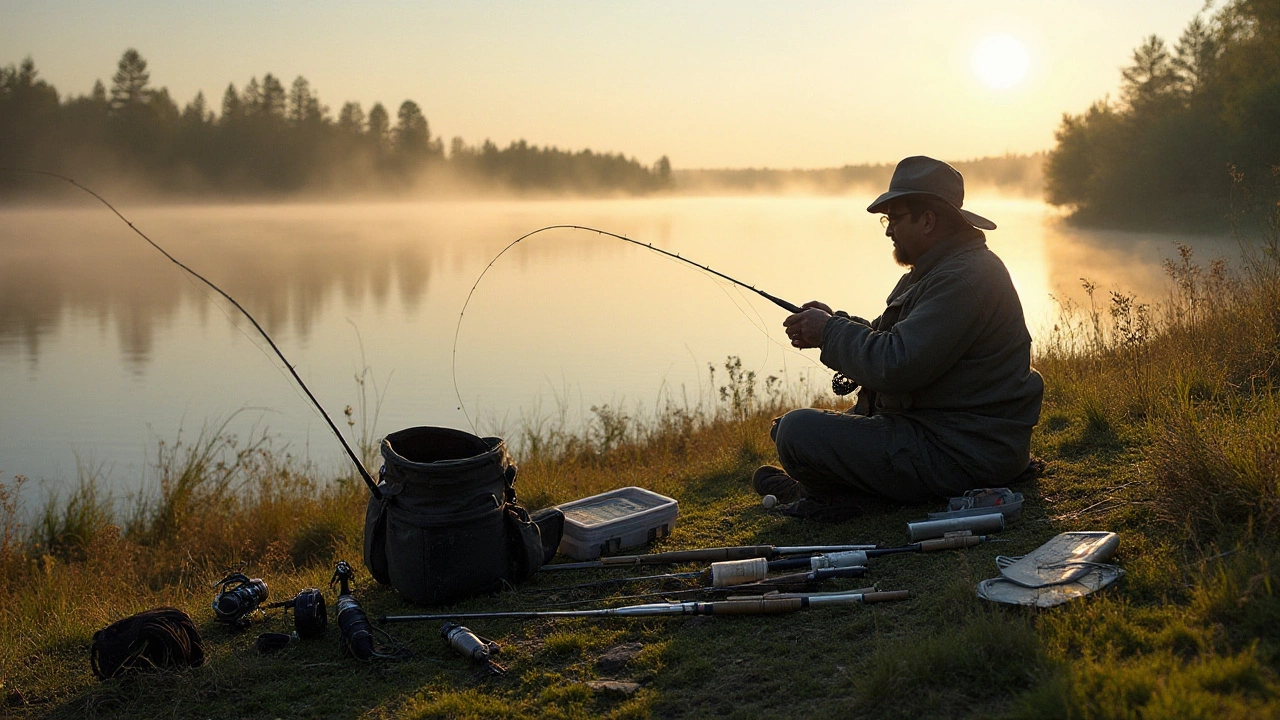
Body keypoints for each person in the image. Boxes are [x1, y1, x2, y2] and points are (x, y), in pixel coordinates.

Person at [754, 156, 1044, 521]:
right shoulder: (935, 270)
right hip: (942, 436)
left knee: (798, 431)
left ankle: (822, 493)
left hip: (964, 453)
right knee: (787, 429)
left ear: (927, 220)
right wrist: (834, 321)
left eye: (894, 218)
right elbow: (888, 337)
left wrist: (828, 332)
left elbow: (896, 364)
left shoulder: (965, 278)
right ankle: (826, 489)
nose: (888, 230)